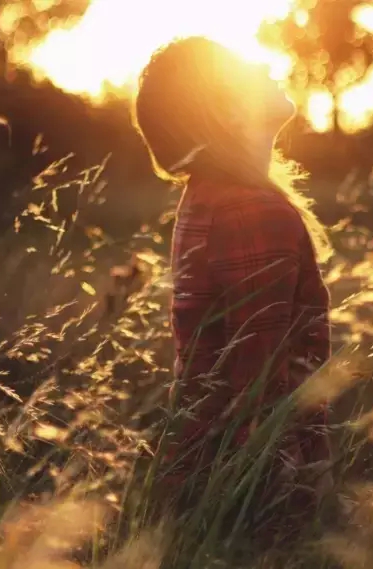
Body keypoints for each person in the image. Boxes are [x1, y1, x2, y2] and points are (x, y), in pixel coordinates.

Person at [133, 36, 334, 533]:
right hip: (248, 497)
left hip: (205, 477)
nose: (263, 64)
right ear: (223, 106)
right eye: (241, 69)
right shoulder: (252, 210)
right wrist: (293, 509)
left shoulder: (208, 196)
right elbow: (260, 388)